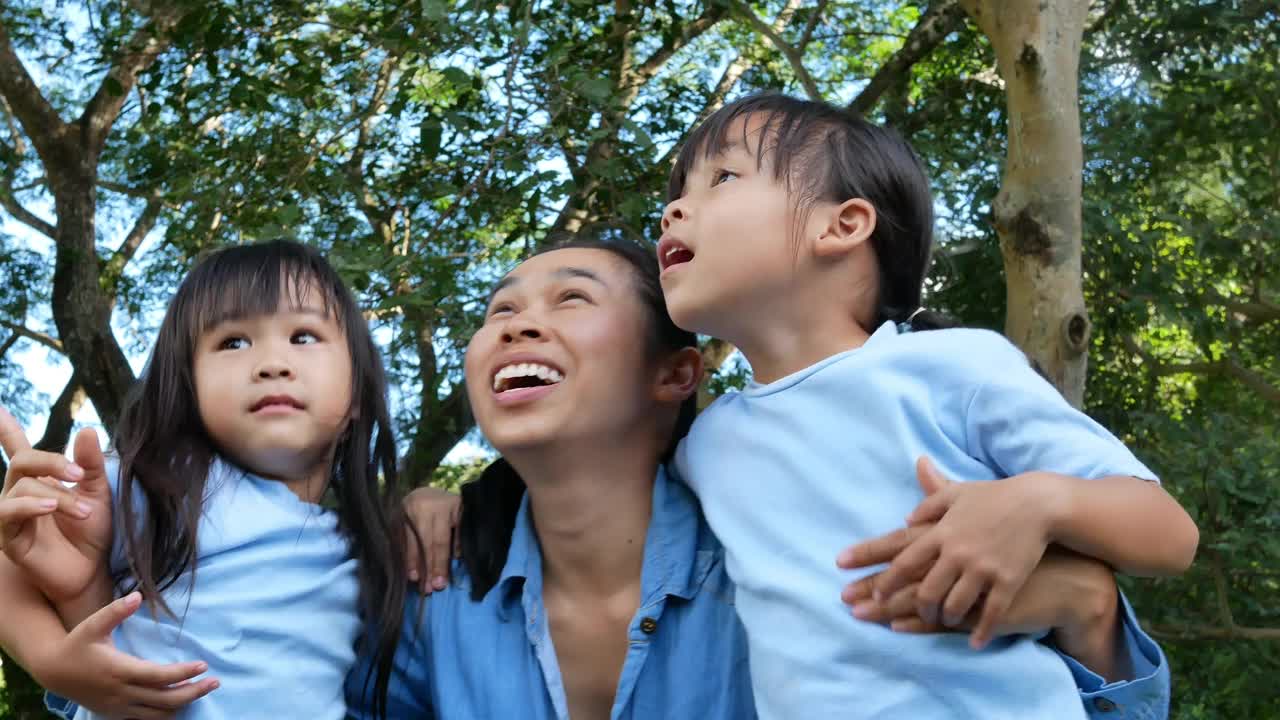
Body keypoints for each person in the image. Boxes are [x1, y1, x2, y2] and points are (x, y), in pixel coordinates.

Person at [350, 233, 1173, 720]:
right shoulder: (431, 587)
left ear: (676, 375)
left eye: (572, 300)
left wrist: (1090, 609)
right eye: (498, 311)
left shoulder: (794, 558)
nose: (518, 322)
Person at [656, 91, 1199, 718]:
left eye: (721, 177)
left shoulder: (949, 368)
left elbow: (1169, 534)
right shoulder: (705, 445)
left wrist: (1039, 503)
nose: (674, 210)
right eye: (679, 191)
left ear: (843, 226)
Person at [0, 240, 412, 719]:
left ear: (358, 393)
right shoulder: (161, 483)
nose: (272, 363)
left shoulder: (364, 548)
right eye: (233, 342)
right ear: (189, 388)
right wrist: (52, 661)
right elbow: (9, 566)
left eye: (303, 336)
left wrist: (430, 503)